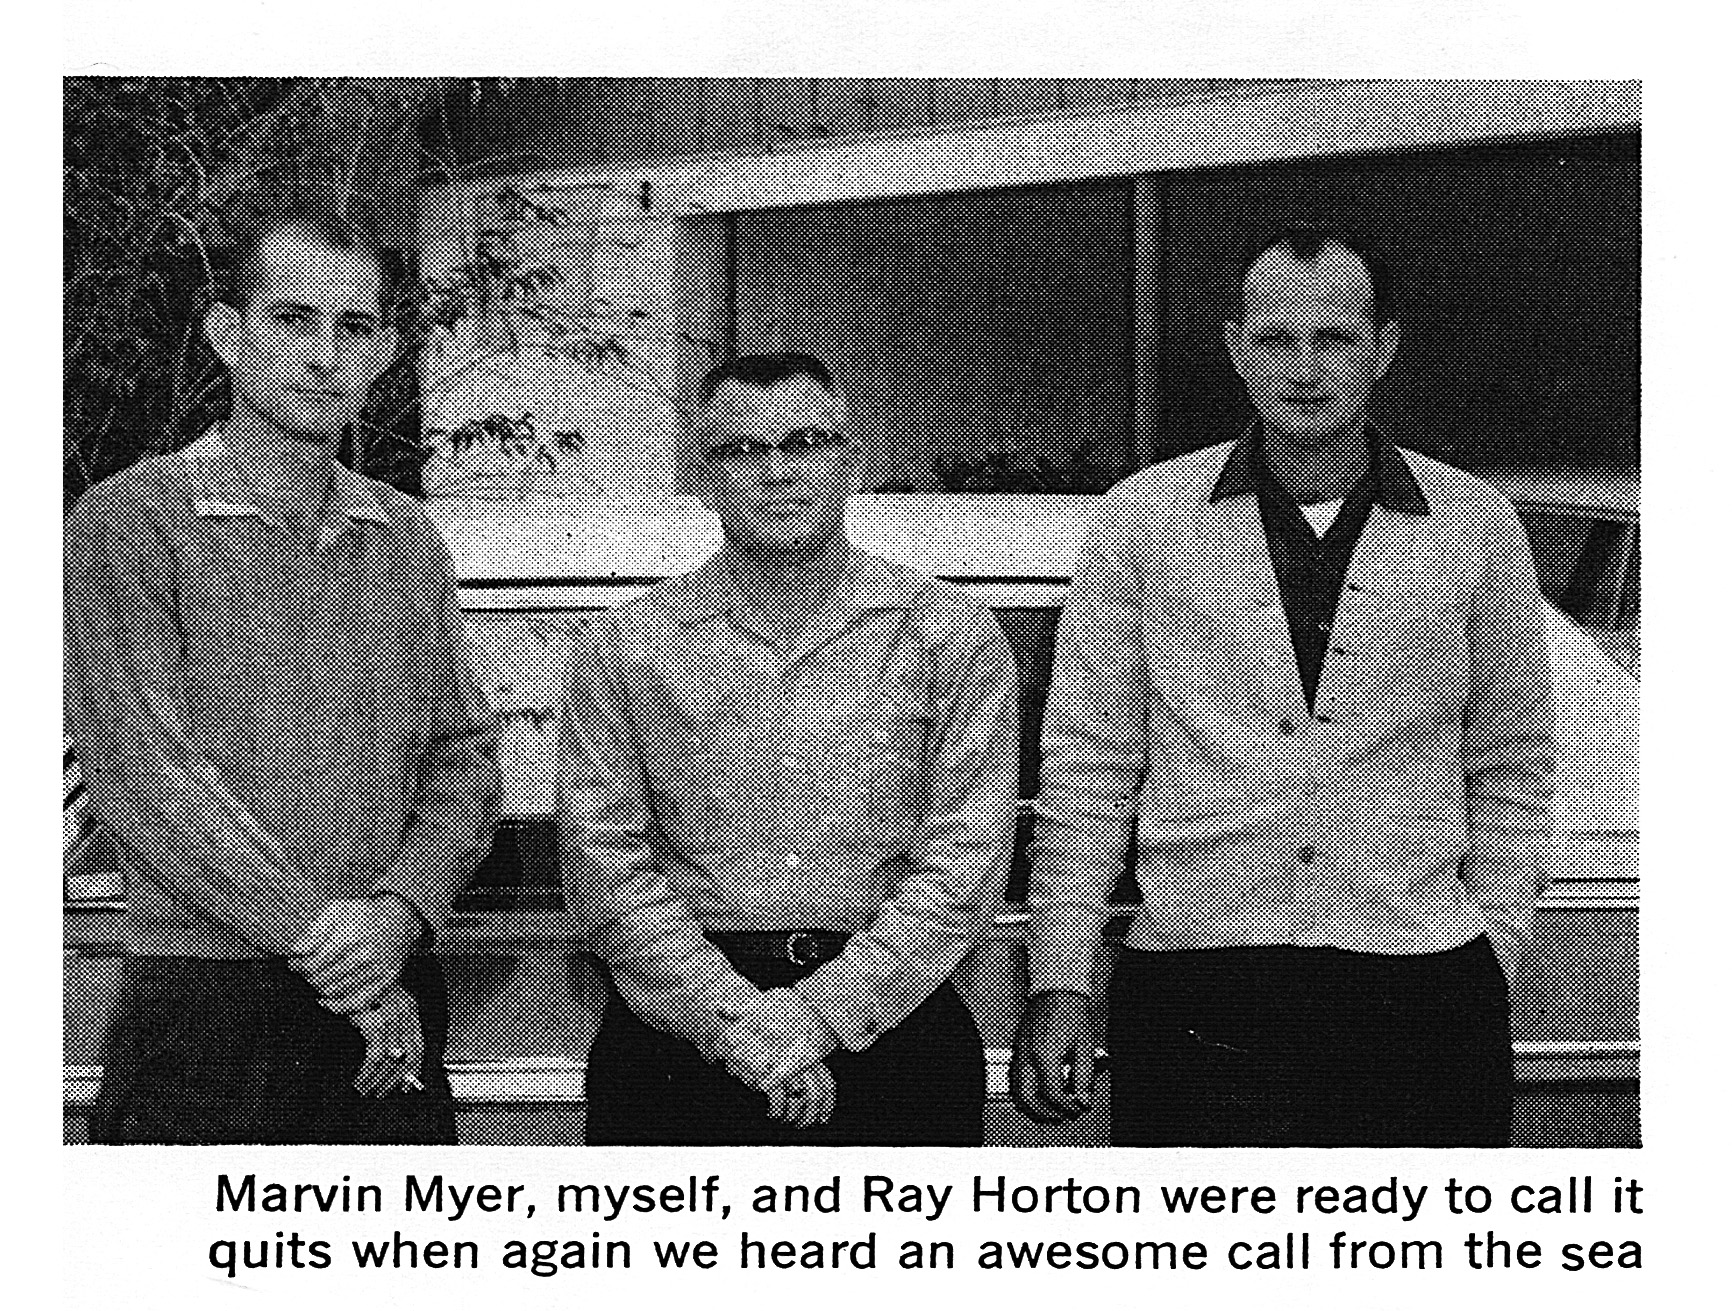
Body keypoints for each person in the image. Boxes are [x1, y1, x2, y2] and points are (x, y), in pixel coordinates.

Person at [1013, 225, 1557, 1145]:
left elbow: (1511, 764)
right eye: (1275, 339)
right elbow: (1089, 769)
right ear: (1236, 349)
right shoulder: (1141, 518)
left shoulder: (1476, 523)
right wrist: (1061, 976)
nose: (1303, 369)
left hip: (1420, 987)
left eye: (1334, 338)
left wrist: (1489, 955)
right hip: (1198, 988)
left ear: (1383, 347)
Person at [65, 204, 502, 1144]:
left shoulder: (408, 537)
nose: (323, 355)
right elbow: (146, 777)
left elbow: (464, 761)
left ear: (384, 350)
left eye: (352, 328)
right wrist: (339, 959)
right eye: (292, 319)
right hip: (207, 999)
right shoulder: (132, 521)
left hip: (389, 988)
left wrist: (399, 913)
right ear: (229, 334)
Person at [559, 353, 1019, 1144]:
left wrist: (818, 1015)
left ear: (852, 462)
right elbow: (604, 865)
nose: (778, 472)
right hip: (681, 1040)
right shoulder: (624, 647)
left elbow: (965, 862)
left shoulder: (949, 634)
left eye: (806, 442)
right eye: (743, 450)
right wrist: (736, 1021)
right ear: (702, 475)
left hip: (893, 1030)